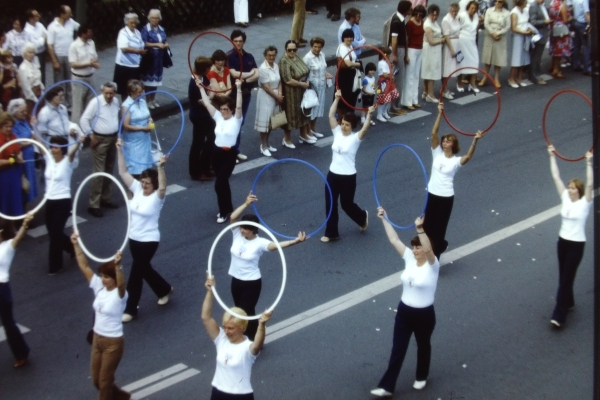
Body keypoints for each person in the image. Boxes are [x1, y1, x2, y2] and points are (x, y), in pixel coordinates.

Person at [370, 212, 439, 397]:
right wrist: (384, 219)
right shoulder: (409, 258)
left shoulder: (433, 265)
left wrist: (420, 229)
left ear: (425, 248)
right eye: (414, 247)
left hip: (424, 314)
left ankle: (422, 375)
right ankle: (387, 386)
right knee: (398, 349)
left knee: (423, 345)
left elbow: (430, 251)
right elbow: (394, 239)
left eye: (418, 247)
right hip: (404, 312)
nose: (415, 250)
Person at [227, 192, 306, 339]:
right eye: (241, 227)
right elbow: (232, 217)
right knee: (241, 311)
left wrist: (295, 241)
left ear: (254, 230)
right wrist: (246, 204)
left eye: (245, 228)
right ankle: (251, 336)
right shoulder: (237, 234)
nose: (242, 229)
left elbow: (275, 246)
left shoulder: (260, 242)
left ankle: (254, 340)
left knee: (246, 311)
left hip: (251, 282)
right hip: (236, 280)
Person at [116, 140, 173, 322]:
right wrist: (120, 150)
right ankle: (164, 289)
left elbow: (163, 187)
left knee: (135, 274)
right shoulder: (137, 189)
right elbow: (122, 172)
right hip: (134, 238)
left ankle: (131, 309)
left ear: (153, 183)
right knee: (144, 269)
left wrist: (161, 167)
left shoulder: (158, 197)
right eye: (142, 181)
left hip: (149, 240)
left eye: (148, 183)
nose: (144, 185)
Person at [70, 233, 131, 399]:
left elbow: (122, 283)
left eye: (106, 277)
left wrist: (118, 266)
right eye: (102, 276)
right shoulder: (99, 288)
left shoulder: (120, 295)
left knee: (104, 383)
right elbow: (84, 266)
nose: (103, 280)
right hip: (98, 339)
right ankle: (121, 397)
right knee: (96, 381)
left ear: (113, 278)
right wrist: (76, 245)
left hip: (113, 343)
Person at [423, 104, 481, 260]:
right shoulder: (437, 153)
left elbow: (467, 157)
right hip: (432, 194)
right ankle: (430, 252)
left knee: (439, 229)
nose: (444, 143)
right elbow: (433, 132)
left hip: (446, 197)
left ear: (453, 145)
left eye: (448, 141)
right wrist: (440, 113)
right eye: (444, 141)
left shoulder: (455, 161)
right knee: (427, 226)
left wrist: (475, 141)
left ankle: (436, 254)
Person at [201, 273, 272, 400]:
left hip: (240, 396)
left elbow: (257, 345)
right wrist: (210, 291)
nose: (226, 331)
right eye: (225, 327)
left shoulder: (247, 348)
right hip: (217, 393)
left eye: (231, 328)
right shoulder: (221, 339)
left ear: (243, 328)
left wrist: (261, 325)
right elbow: (206, 318)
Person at [547, 146, 592, 328]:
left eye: (573, 188)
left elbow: (590, 184)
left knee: (566, 279)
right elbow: (555, 176)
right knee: (564, 276)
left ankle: (559, 315)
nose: (569, 189)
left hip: (576, 245)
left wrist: (588, 162)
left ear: (578, 190)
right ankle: (570, 302)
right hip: (562, 242)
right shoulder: (565, 197)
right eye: (569, 187)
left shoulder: (585, 203)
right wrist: (552, 156)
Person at [321, 90, 374, 243]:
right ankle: (331, 233)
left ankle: (362, 216)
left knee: (346, 204)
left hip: (348, 177)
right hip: (332, 175)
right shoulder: (337, 132)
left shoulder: (355, 139)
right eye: (342, 123)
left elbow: (365, 129)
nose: (343, 126)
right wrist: (337, 99)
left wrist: (369, 114)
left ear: (352, 127)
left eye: (347, 125)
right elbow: (331, 115)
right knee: (330, 203)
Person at [198, 78, 243, 224]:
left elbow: (239, 106)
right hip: (216, 154)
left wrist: (239, 87)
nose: (223, 111)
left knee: (219, 183)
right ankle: (228, 207)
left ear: (231, 110)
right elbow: (206, 102)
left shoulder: (236, 120)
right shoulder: (218, 117)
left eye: (226, 109)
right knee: (223, 183)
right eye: (222, 109)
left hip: (229, 155)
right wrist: (200, 87)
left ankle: (224, 213)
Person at [40, 134, 83, 275]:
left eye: (56, 147)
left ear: (62, 149)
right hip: (49, 201)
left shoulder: (68, 162)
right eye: (52, 146)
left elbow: (73, 152)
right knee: (53, 232)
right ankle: (72, 248)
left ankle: (56, 266)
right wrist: (32, 128)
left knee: (55, 234)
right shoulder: (48, 159)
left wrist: (78, 143)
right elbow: (39, 143)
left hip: (63, 202)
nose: (53, 149)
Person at [80, 82, 121, 218]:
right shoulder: (95, 103)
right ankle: (94, 204)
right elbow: (84, 120)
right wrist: (91, 136)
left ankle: (105, 198)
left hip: (112, 138)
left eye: (111, 93)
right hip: (100, 140)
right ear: (102, 92)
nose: (109, 96)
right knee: (99, 172)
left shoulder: (115, 101)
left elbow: (116, 117)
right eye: (106, 93)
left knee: (109, 169)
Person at [0, 213, 34, 368]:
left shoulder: (8, 247)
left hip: (2, 290)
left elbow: (19, 238)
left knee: (8, 323)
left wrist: (25, 224)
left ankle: (22, 353)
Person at [227, 30, 259, 161]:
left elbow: (257, 73)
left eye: (240, 41)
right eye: (236, 41)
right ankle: (230, 153)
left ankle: (236, 150)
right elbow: (234, 74)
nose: (238, 43)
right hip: (233, 95)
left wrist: (245, 79)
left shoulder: (249, 56)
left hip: (246, 94)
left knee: (240, 123)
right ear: (232, 41)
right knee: (232, 123)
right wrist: (250, 74)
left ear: (244, 42)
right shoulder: (228, 57)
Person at [280, 40, 315, 147]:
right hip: (291, 93)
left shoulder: (298, 56)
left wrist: (306, 81)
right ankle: (286, 139)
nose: (292, 51)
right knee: (291, 115)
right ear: (285, 49)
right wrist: (301, 84)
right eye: (289, 49)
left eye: (294, 49)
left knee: (303, 111)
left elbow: (305, 69)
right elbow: (287, 79)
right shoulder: (284, 61)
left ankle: (303, 135)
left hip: (302, 90)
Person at [47, 5, 80, 109]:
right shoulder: (52, 27)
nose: (71, 15)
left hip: (70, 56)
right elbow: (49, 45)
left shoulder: (71, 23)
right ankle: (58, 104)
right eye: (68, 13)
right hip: (59, 56)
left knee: (71, 81)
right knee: (59, 83)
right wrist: (54, 61)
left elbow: (81, 28)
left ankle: (71, 104)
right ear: (62, 14)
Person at [189, 56, 216, 181]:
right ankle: (196, 172)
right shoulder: (195, 83)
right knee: (200, 143)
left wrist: (208, 97)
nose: (210, 69)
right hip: (199, 116)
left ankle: (204, 167)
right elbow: (204, 101)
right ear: (203, 68)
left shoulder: (202, 77)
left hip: (203, 114)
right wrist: (208, 98)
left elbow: (211, 90)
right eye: (208, 67)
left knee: (207, 140)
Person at [120, 80, 153, 177]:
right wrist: (142, 128)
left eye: (142, 91)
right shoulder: (126, 106)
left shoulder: (143, 101)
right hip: (133, 143)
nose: (142, 93)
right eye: (139, 92)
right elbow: (125, 126)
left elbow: (149, 116)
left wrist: (150, 123)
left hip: (145, 140)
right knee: (134, 170)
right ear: (131, 92)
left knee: (145, 169)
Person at [255, 45, 283, 156]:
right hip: (266, 96)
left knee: (271, 122)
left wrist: (280, 94)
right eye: (269, 55)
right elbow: (266, 87)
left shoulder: (276, 66)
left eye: (273, 55)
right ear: (265, 55)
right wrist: (277, 97)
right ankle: (263, 145)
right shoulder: (262, 68)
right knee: (265, 122)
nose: (271, 57)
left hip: (276, 94)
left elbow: (280, 81)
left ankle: (267, 143)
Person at [8, 99, 37, 206]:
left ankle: (24, 209)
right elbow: (17, 143)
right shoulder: (13, 125)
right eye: (22, 112)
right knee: (22, 185)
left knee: (29, 183)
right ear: (14, 112)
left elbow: (31, 133)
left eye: (25, 111)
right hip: (21, 159)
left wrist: (33, 126)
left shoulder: (24, 121)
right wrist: (32, 141)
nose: (25, 113)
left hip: (29, 158)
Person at [69, 25, 99, 123]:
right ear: (83, 33)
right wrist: (89, 64)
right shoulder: (74, 46)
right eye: (89, 32)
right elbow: (73, 64)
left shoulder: (91, 43)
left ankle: (88, 128)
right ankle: (75, 128)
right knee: (78, 105)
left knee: (91, 103)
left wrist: (94, 62)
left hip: (90, 77)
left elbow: (95, 56)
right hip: (79, 79)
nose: (91, 34)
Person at [140, 9, 170, 109]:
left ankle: (153, 99)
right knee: (148, 80)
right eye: (152, 18)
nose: (155, 20)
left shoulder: (161, 29)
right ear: (149, 18)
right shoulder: (146, 29)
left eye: (157, 18)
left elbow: (164, 39)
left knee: (156, 80)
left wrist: (166, 45)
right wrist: (157, 44)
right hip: (150, 58)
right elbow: (144, 43)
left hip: (159, 59)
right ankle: (148, 100)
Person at [113, 13, 146, 101]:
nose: (134, 25)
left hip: (135, 65)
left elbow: (141, 44)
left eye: (135, 23)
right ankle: (125, 108)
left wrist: (142, 50)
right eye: (131, 23)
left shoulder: (137, 32)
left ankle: (133, 106)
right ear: (127, 23)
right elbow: (124, 48)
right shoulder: (123, 32)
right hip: (124, 65)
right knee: (124, 89)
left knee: (134, 88)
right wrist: (137, 51)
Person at [303, 37, 331, 138]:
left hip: (322, 85)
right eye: (315, 47)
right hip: (312, 87)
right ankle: (307, 131)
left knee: (318, 108)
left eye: (319, 47)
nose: (317, 49)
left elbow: (322, 68)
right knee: (311, 108)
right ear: (311, 46)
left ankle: (313, 128)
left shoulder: (322, 55)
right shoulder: (307, 58)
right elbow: (304, 74)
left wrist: (326, 74)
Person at [388, 1, 412, 116]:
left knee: (399, 79)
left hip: (401, 50)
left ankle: (395, 105)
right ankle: (393, 106)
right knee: (397, 79)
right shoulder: (397, 21)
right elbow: (394, 39)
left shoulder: (400, 19)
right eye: (410, 8)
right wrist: (395, 55)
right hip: (398, 50)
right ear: (406, 10)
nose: (411, 10)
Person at [481, 0, 511, 87]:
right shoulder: (489, 10)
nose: (497, 3)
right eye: (496, 1)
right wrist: (492, 33)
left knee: (498, 58)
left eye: (500, 2)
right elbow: (486, 23)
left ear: (503, 3)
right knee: (487, 57)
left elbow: (507, 26)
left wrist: (498, 34)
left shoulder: (507, 13)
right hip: (489, 35)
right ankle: (485, 77)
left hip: (500, 36)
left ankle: (496, 78)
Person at [401, 5, 426, 110]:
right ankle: (407, 101)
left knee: (416, 75)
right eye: (417, 14)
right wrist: (406, 54)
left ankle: (414, 100)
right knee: (409, 76)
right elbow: (406, 40)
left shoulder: (422, 22)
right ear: (414, 13)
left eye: (421, 15)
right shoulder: (410, 24)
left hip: (420, 49)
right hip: (411, 49)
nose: (419, 16)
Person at [0, 113, 25, 218]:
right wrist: (12, 160)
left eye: (11, 126)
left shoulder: (13, 136)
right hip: (3, 174)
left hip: (14, 173)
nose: (9, 129)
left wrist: (19, 156)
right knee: (4, 200)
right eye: (7, 126)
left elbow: (18, 150)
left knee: (14, 199)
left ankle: (12, 225)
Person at [421, 4, 445, 104]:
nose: (434, 17)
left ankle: (426, 91)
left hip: (434, 50)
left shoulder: (434, 23)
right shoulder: (428, 25)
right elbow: (431, 41)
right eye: (432, 15)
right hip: (430, 49)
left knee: (429, 70)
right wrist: (442, 40)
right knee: (431, 71)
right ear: (429, 14)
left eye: (436, 15)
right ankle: (430, 94)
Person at [336, 30, 362, 116]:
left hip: (350, 76)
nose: (349, 39)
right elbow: (348, 63)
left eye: (351, 37)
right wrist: (358, 64)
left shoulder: (350, 46)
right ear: (343, 38)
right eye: (347, 37)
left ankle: (348, 118)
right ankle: (341, 119)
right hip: (344, 77)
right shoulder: (343, 48)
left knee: (350, 98)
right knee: (343, 100)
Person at [508, 0, 532, 88]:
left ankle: (519, 77)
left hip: (525, 36)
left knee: (524, 57)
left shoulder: (525, 11)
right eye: (525, 1)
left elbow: (527, 23)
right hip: (517, 37)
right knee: (516, 58)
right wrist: (524, 32)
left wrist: (529, 30)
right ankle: (511, 78)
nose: (527, 3)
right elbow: (513, 28)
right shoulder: (514, 12)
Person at [457, 1, 481, 92]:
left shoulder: (476, 17)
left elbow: (476, 28)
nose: (473, 10)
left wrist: (480, 21)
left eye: (475, 8)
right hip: (462, 41)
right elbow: (457, 26)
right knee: (461, 62)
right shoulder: (462, 15)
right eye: (472, 8)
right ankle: (459, 83)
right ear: (468, 7)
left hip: (472, 41)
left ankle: (472, 84)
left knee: (475, 61)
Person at [528, 0, 551, 85]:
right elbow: (533, 21)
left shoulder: (542, 5)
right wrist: (544, 22)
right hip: (538, 34)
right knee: (536, 57)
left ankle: (535, 75)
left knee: (538, 56)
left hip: (543, 33)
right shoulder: (534, 6)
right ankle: (535, 77)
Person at [18, 43, 43, 116]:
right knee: (30, 115)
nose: (32, 55)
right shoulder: (23, 68)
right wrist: (35, 99)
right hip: (30, 96)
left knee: (39, 115)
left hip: (39, 92)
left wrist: (42, 91)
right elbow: (26, 87)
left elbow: (39, 80)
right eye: (29, 52)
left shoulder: (34, 65)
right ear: (25, 53)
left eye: (33, 53)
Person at [441, 3, 460, 99]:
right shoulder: (446, 20)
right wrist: (452, 49)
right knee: (446, 69)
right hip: (449, 46)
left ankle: (446, 89)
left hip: (457, 43)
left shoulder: (456, 19)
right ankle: (444, 90)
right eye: (453, 10)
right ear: (449, 10)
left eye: (456, 11)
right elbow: (446, 36)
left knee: (453, 68)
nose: (454, 12)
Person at [24, 9, 48, 85]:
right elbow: (35, 45)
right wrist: (42, 38)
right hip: (33, 55)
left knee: (43, 74)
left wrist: (41, 40)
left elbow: (46, 34)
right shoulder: (27, 30)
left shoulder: (40, 25)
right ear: (31, 18)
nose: (39, 16)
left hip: (42, 53)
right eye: (36, 15)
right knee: (35, 74)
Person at [549, 0, 571, 79]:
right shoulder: (561, 5)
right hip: (561, 31)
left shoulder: (552, 3)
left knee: (554, 49)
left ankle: (552, 66)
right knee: (559, 52)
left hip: (553, 28)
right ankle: (556, 70)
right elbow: (565, 20)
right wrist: (570, 18)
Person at [375, 47, 398, 122]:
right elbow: (385, 74)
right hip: (384, 81)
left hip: (388, 81)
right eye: (387, 54)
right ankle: (379, 114)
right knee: (383, 98)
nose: (388, 56)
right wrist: (390, 77)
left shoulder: (386, 62)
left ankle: (385, 112)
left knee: (390, 97)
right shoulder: (382, 63)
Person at [570, 0, 590, 75]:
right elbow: (586, 14)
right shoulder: (584, 1)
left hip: (576, 22)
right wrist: (591, 24)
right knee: (586, 46)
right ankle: (587, 68)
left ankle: (576, 65)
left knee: (576, 45)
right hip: (582, 24)